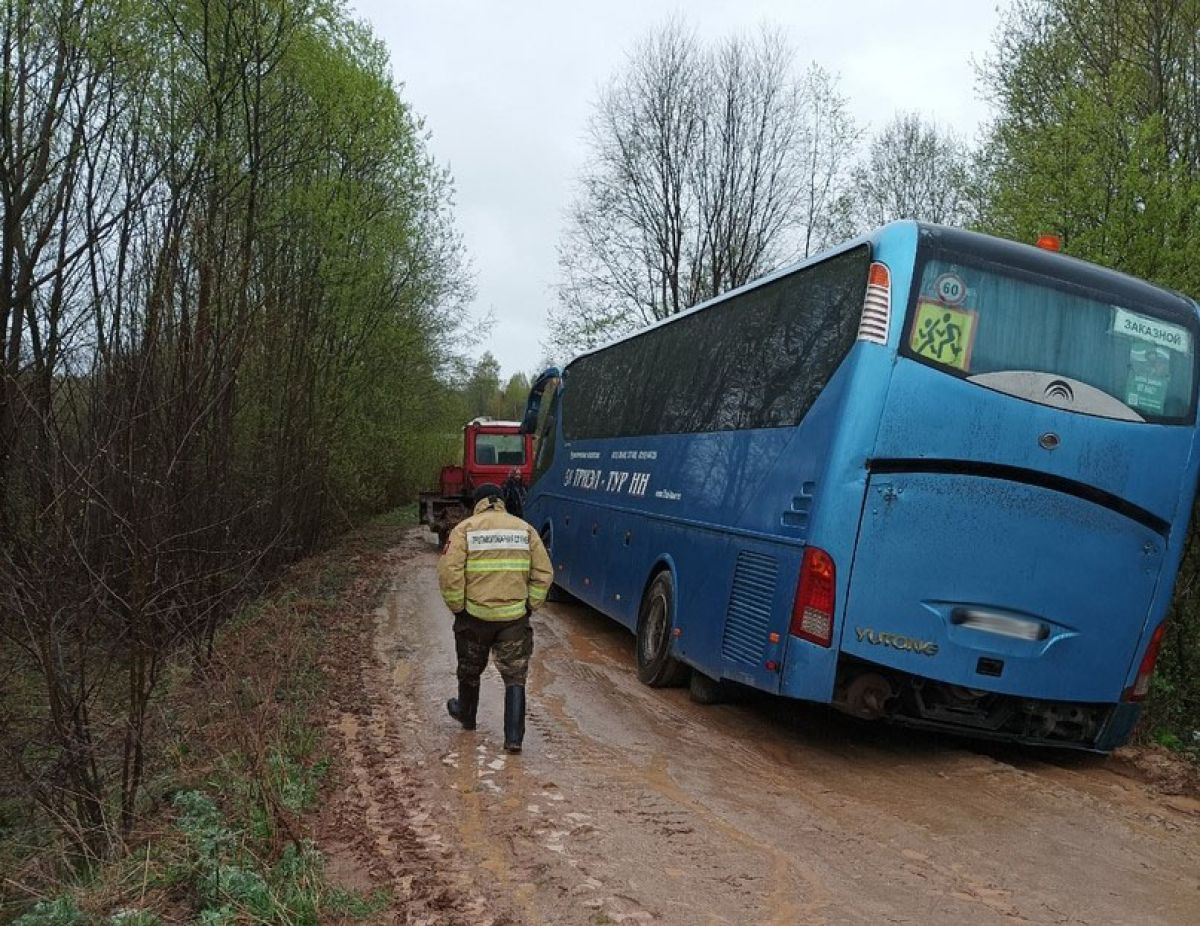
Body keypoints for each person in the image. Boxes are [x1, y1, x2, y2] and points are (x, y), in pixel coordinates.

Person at [437, 483, 553, 753]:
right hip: (514, 619)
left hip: (475, 617)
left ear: (477, 503)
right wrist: (530, 605)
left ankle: (467, 716)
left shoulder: (465, 529)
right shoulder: (525, 530)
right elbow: (544, 573)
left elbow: (449, 573)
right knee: (515, 677)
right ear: (501, 502)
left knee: (469, 669)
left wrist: (458, 607)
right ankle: (514, 739)